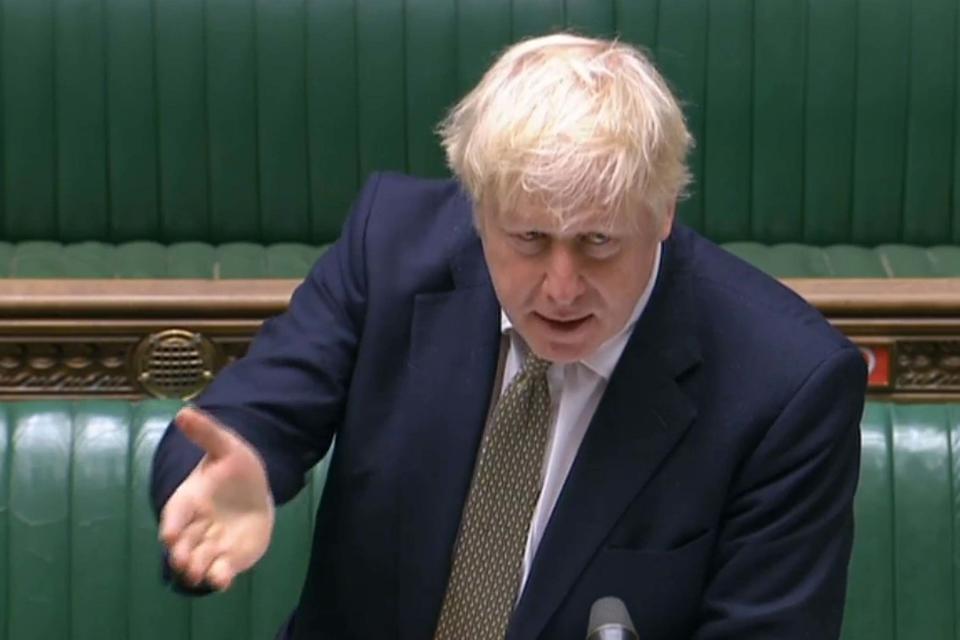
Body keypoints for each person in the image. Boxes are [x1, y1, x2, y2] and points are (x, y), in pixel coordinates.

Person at [151, 33, 867, 639]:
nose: (559, 286)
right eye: (527, 238)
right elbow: (245, 421)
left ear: (663, 214)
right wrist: (218, 476)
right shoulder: (393, 247)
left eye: (597, 242)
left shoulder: (787, 383)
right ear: (479, 208)